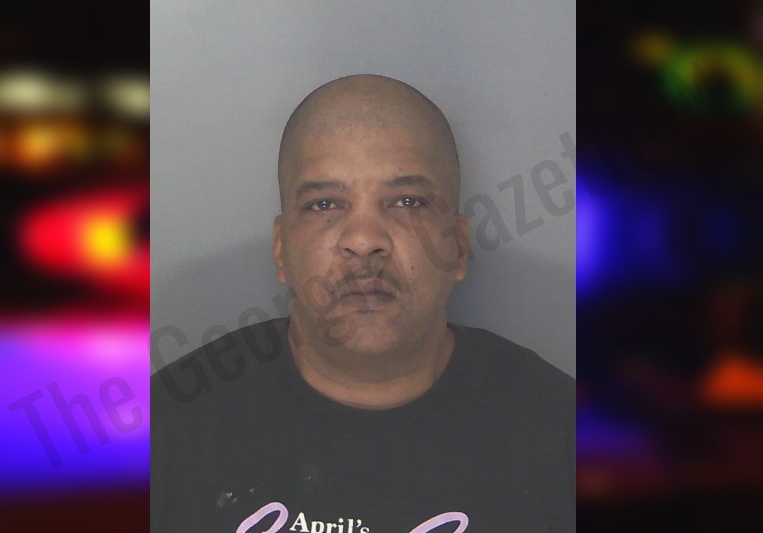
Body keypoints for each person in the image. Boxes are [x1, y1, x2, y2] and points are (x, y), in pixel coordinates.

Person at [151, 74, 574, 532]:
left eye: (407, 201)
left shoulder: (562, 436)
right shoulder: (167, 431)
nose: (364, 239)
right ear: (281, 249)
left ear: (458, 246)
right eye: (324, 204)